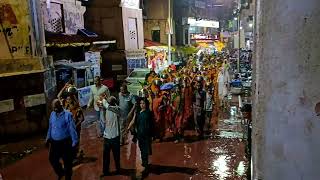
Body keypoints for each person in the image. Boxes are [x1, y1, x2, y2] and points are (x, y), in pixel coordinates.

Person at [46, 99, 78, 180]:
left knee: (67, 162)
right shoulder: (52, 114)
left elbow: (72, 129)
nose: (54, 110)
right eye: (53, 108)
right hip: (54, 143)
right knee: (52, 159)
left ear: (60, 106)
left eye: (56, 108)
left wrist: (74, 142)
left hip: (65, 143)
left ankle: (68, 177)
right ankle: (60, 172)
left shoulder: (68, 114)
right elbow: (50, 127)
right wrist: (48, 138)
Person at [127, 98, 153, 173]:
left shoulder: (149, 113)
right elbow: (133, 120)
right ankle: (145, 163)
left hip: (146, 134)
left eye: (143, 103)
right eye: (141, 103)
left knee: (146, 149)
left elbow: (152, 125)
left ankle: (145, 164)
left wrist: (152, 134)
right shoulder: (138, 112)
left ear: (146, 104)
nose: (142, 105)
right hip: (139, 134)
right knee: (142, 148)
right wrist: (128, 127)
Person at [100, 96, 121, 177]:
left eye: (109, 101)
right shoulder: (107, 108)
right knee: (106, 156)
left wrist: (103, 99)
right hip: (107, 136)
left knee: (116, 155)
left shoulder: (117, 109)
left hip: (115, 136)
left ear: (113, 102)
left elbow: (107, 106)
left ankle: (118, 169)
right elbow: (103, 107)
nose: (107, 102)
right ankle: (105, 171)